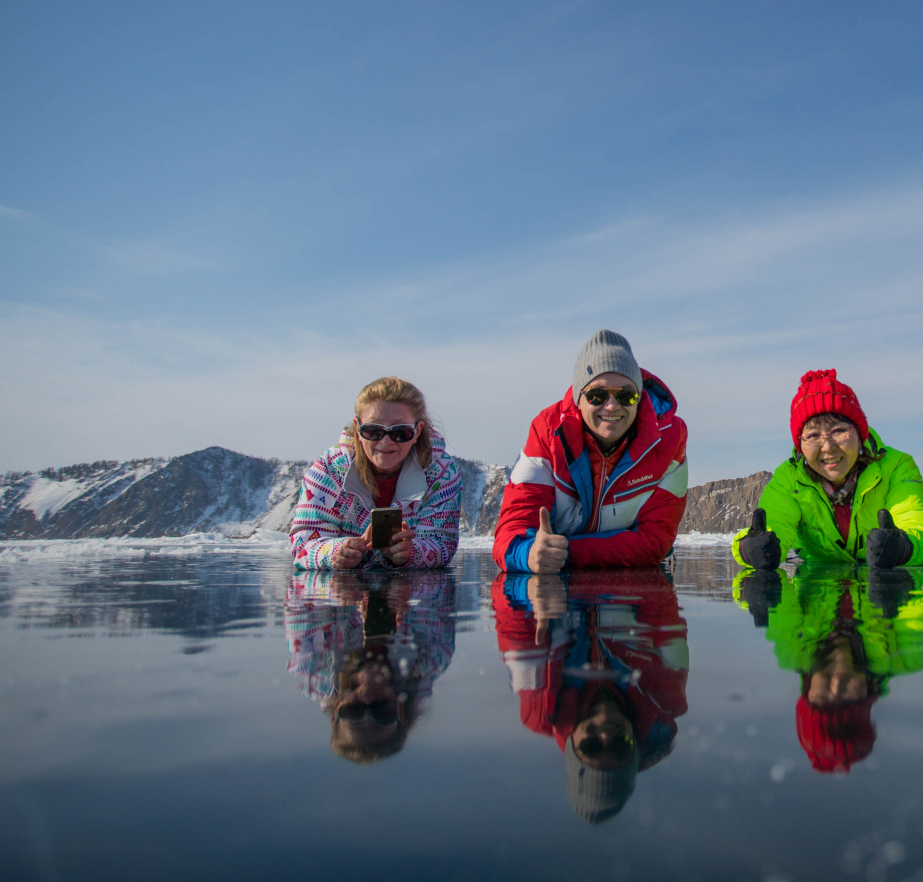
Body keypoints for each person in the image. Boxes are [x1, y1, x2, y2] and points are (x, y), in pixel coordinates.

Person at [491, 567, 689, 823]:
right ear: (634, 745)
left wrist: (526, 556)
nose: (605, 735)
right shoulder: (665, 691)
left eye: (592, 746)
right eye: (619, 746)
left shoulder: (539, 700)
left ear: (573, 746)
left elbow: (510, 615)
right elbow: (661, 603)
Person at [493, 330, 688, 572]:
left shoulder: (669, 438)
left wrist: (564, 553)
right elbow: (511, 532)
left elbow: (655, 541)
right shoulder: (547, 432)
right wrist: (529, 553)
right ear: (578, 399)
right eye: (597, 395)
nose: (612, 405)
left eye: (626, 395)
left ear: (639, 399)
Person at [733, 562, 923, 774]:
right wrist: (904, 555)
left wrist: (753, 564)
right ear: (867, 694)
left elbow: (775, 603)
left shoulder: (793, 648)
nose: (838, 682)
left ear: (808, 689)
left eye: (823, 697)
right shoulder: (905, 657)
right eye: (849, 698)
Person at [731, 369, 923, 570]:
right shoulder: (788, 478)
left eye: (839, 431)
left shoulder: (897, 467)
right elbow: (774, 526)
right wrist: (751, 549)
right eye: (813, 436)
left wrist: (903, 548)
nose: (828, 447)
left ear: (860, 435)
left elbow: (920, 530)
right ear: (800, 445)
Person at [284, 567, 457, 763]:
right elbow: (439, 593)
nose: (366, 695)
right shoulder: (431, 659)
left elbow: (298, 593)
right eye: (381, 712)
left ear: (336, 713)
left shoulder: (311, 667)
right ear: (401, 714)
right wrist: (408, 585)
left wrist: (335, 571)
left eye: (352, 711)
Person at [290, 376, 463, 570]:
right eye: (373, 431)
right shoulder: (329, 469)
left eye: (400, 432)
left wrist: (411, 552)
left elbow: (442, 542)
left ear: (417, 431)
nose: (386, 442)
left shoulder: (441, 472)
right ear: (357, 428)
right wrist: (336, 552)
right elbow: (303, 544)